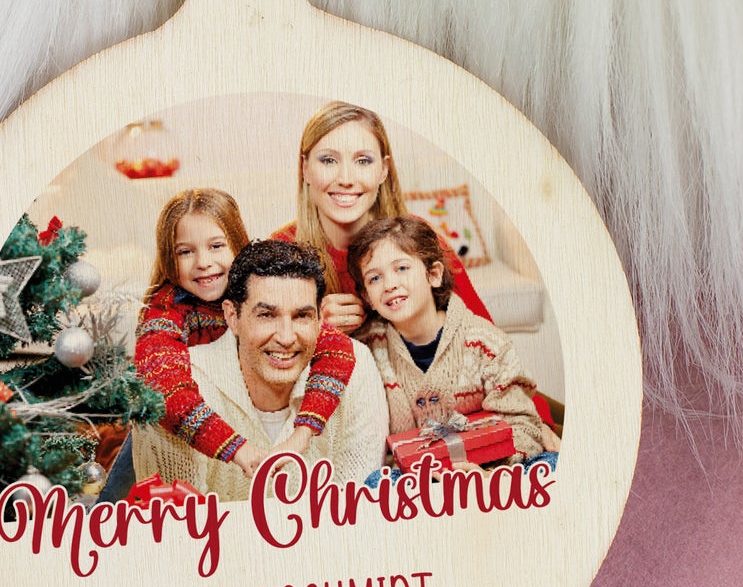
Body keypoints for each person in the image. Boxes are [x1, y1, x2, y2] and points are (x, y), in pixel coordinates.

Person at [101, 189, 356, 497]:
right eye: (185, 252)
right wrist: (237, 448)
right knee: (116, 503)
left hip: (232, 419)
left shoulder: (257, 295)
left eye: (217, 246)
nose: (204, 263)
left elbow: (338, 350)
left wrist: (305, 430)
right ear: (169, 257)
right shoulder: (164, 312)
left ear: (238, 243)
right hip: (173, 426)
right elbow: (165, 391)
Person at [131, 240, 389, 500]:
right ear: (232, 317)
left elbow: (358, 518)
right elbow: (178, 529)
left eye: (302, 316)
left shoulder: (356, 367)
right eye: (266, 315)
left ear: (320, 319)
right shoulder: (175, 391)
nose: (287, 337)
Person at [271, 101, 494, 336]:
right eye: (328, 160)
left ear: (383, 170)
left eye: (363, 161)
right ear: (305, 168)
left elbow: (486, 339)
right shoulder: (280, 252)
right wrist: (310, 326)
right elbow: (255, 356)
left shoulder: (417, 238)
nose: (346, 178)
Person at [348, 216, 560, 461]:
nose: (390, 284)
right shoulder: (365, 350)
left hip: (489, 471)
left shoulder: (484, 342)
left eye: (402, 268)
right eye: (375, 278)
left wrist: (488, 475)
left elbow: (523, 425)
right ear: (367, 297)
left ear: (434, 275)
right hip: (412, 481)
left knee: (549, 462)